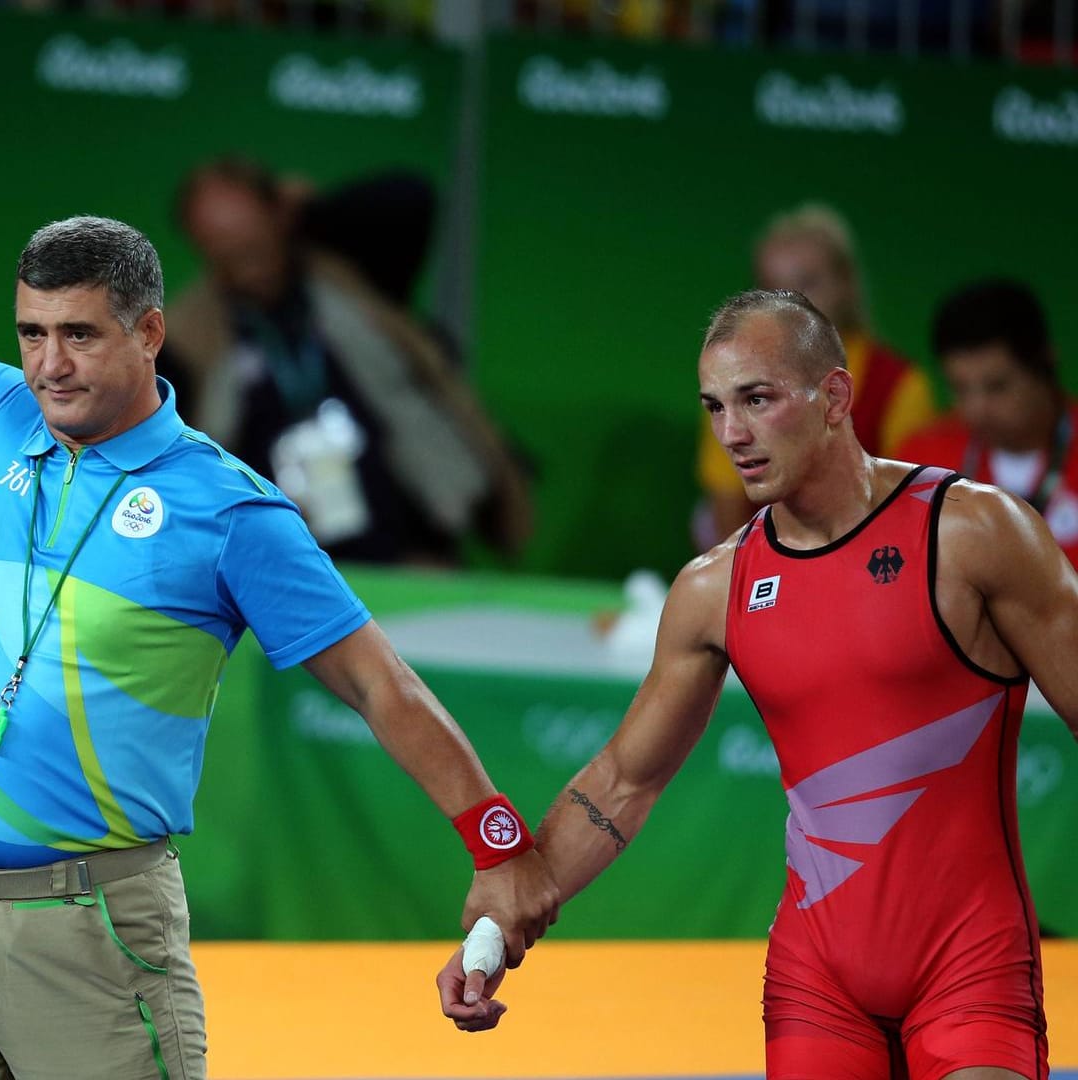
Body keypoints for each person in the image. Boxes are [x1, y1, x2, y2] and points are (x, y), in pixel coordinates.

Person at [0, 5, 558, 1075]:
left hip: (92, 939)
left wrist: (497, 842)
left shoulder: (228, 509)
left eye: (78, 334)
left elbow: (378, 685)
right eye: (31, 333)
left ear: (148, 332)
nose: (48, 364)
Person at [442, 289, 1075, 1080]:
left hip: (971, 965)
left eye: (758, 400)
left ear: (834, 398)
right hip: (817, 982)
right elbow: (622, 783)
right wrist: (496, 934)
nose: (732, 435)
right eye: (714, 407)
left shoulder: (973, 533)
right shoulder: (717, 586)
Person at [163, 157, 531, 565]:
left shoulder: (355, 276)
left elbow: (408, 195)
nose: (242, 258)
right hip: (280, 561)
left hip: (406, 551)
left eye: (250, 241)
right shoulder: (188, 334)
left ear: (279, 214)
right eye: (223, 248)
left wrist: (312, 214)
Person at [694, 204, 936, 546]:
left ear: (846, 282)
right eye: (773, 287)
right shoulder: (731, 381)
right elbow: (727, 518)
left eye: (808, 282)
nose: (792, 301)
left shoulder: (901, 386)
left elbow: (908, 514)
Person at [894, 279, 1078, 567]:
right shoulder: (921, 464)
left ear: (1046, 365)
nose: (977, 409)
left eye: (997, 386)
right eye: (961, 388)